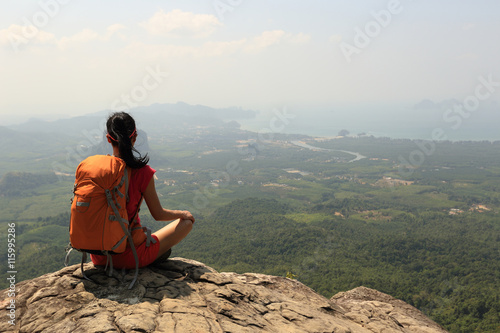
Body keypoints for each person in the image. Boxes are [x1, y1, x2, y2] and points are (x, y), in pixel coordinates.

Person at [90, 111, 195, 269]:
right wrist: (183, 213)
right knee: (187, 223)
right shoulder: (143, 172)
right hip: (129, 256)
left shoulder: (95, 169)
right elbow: (158, 215)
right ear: (135, 136)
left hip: (98, 257)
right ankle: (151, 255)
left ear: (108, 138)